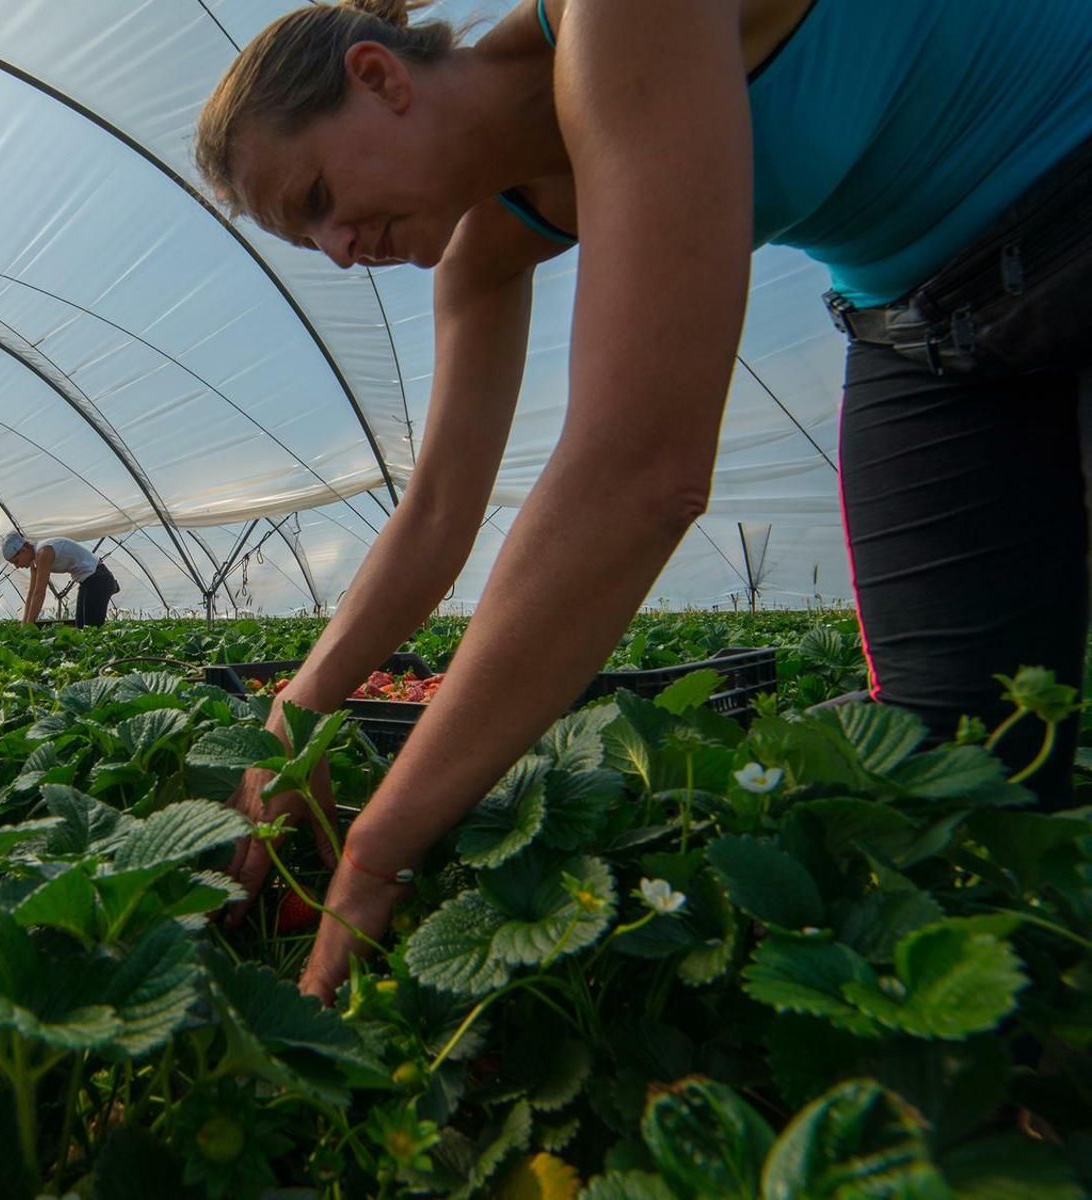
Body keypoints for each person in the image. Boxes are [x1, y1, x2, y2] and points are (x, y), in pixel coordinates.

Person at [194, 0, 1092, 1001]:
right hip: (923, 329)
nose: (339, 250)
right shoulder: (487, 246)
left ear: (379, 76)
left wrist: (379, 847)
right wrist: (300, 707)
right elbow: (439, 508)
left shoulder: (619, 15)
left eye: (319, 196)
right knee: (958, 755)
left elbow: (640, 468)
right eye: (306, 239)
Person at [1, 532, 119, 628]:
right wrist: (24, 624)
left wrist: (29, 627)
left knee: (91, 629)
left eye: (16, 561)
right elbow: (32, 592)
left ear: (23, 550)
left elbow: (39, 593)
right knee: (81, 627)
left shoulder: (44, 552)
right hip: (87, 581)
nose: (17, 566)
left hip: (98, 578)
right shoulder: (35, 561)